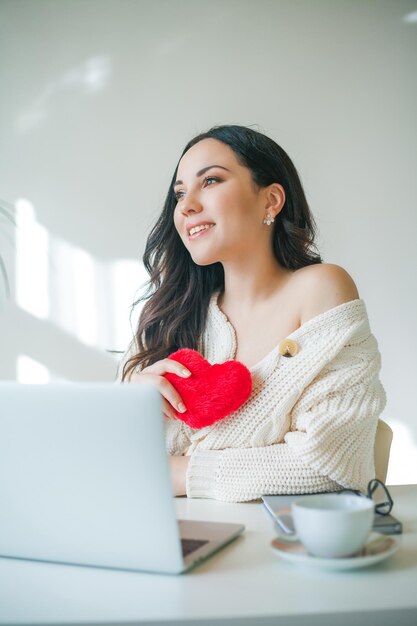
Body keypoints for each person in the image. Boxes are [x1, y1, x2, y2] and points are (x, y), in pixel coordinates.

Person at [119, 124, 386, 502]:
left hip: (280, 550)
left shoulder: (321, 288)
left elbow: (336, 464)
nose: (186, 204)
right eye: (179, 193)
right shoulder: (170, 318)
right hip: (170, 540)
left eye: (210, 181)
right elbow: (118, 465)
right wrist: (132, 409)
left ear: (271, 201)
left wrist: (182, 473)